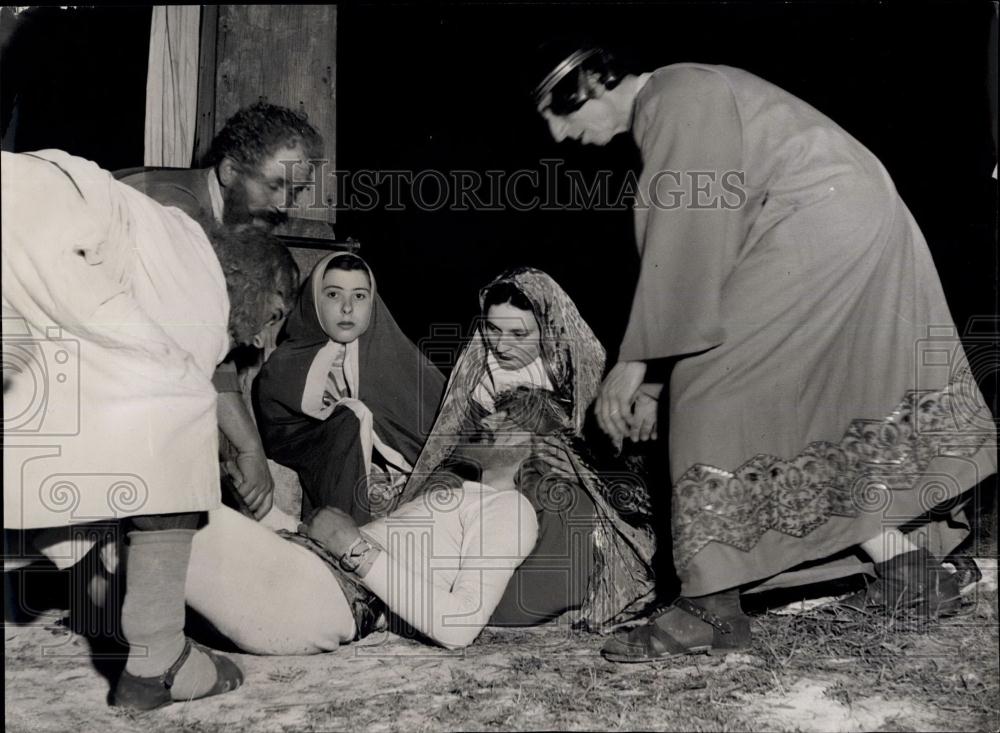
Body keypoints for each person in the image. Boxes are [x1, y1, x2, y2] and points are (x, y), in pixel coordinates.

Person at [532, 44, 997, 661]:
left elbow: (687, 234)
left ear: (593, 84)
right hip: (843, 217)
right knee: (801, 413)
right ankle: (912, 573)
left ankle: (709, 610)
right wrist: (655, 382)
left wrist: (635, 364)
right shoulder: (682, 97)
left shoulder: (673, 95)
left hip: (818, 222)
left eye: (559, 117)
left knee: (714, 393)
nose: (562, 136)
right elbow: (712, 261)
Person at [2, 149, 298, 709]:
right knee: (177, 410)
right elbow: (185, 392)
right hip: (40, 219)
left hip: (25, 206)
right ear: (250, 275)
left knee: (57, 426)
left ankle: (105, 597)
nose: (263, 337)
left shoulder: (170, 253)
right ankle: (159, 661)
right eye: (275, 313)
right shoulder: (199, 273)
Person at [393, 267, 658, 630]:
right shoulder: (478, 372)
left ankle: (499, 603)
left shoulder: (578, 368)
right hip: (487, 481)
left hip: (554, 487)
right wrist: (485, 453)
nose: (502, 346)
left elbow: (617, 460)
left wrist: (575, 461)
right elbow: (454, 445)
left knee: (568, 509)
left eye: (519, 333)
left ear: (548, 330)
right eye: (493, 329)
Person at [118, 102, 324, 521]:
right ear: (230, 171)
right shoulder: (174, 212)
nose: (284, 205)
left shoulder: (210, 214)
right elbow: (187, 351)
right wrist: (245, 449)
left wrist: (248, 448)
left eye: (296, 191)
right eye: (274, 186)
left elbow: (207, 343)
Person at [254, 253, 446, 522]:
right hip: (344, 502)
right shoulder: (283, 366)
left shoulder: (401, 361)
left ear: (372, 302)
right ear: (314, 300)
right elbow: (282, 437)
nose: (347, 308)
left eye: (359, 296)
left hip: (410, 499)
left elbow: (445, 433)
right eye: (333, 295)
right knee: (352, 414)